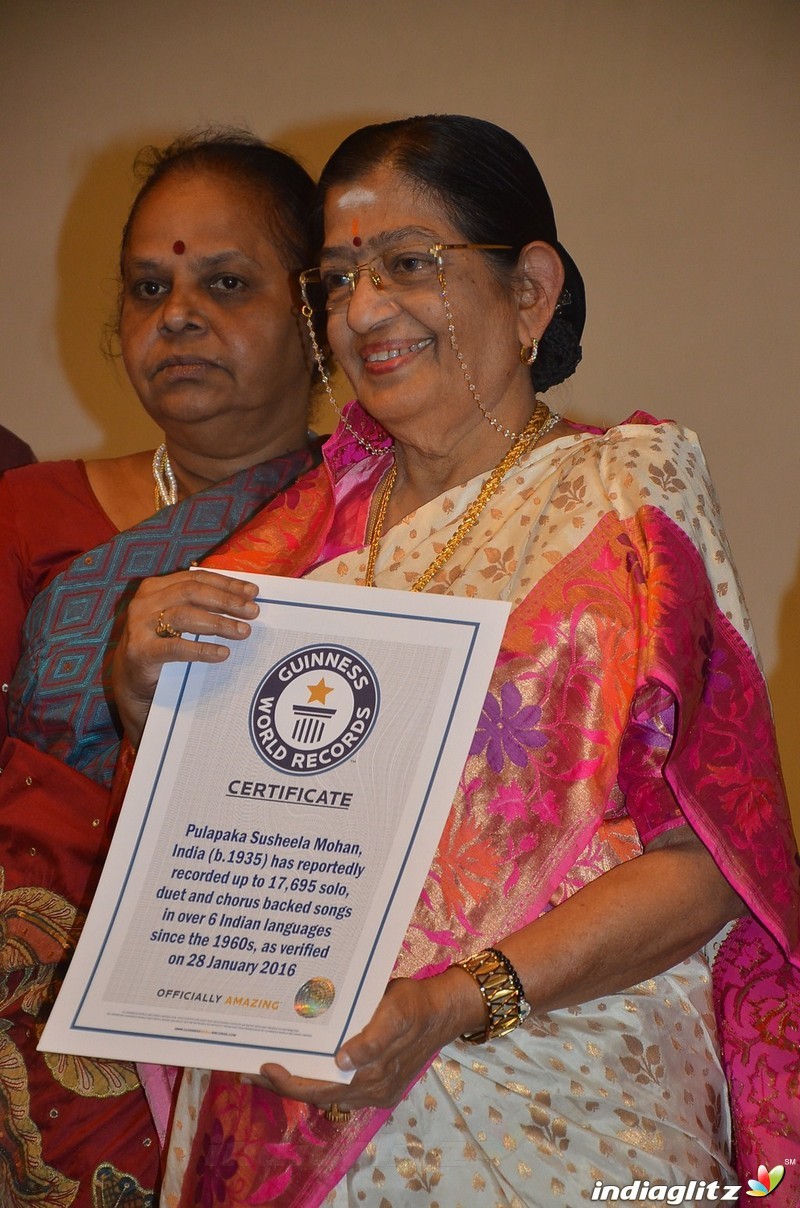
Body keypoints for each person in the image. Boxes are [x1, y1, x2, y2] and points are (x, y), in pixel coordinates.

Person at [111, 115, 799, 1206]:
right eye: (335, 280)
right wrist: (146, 689)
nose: (363, 310)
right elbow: (218, 838)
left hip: (564, 1102)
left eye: (409, 264)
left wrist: (450, 1001)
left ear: (529, 291)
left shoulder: (619, 504)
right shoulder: (286, 543)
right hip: (290, 1105)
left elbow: (710, 856)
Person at [0, 130, 325, 1207]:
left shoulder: (380, 521)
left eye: (226, 282)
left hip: (264, 980)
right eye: (149, 286)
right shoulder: (26, 511)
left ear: (315, 312)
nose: (176, 314)